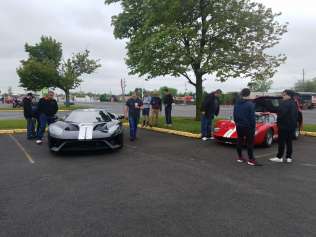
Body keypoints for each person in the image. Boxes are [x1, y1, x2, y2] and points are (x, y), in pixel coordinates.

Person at [233, 88, 261, 166]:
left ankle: (240, 157)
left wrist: (237, 123)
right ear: (249, 94)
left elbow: (235, 114)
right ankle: (251, 160)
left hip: (239, 125)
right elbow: (251, 117)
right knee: (250, 143)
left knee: (240, 141)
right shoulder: (250, 104)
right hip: (248, 126)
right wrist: (253, 126)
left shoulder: (237, 103)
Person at [270, 90, 298, 163]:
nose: (283, 96)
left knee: (281, 142)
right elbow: (296, 115)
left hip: (283, 126)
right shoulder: (294, 103)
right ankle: (289, 157)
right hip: (292, 126)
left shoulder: (285, 103)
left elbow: (281, 114)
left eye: (284, 94)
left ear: (289, 95)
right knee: (289, 142)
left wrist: (277, 119)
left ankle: (279, 157)